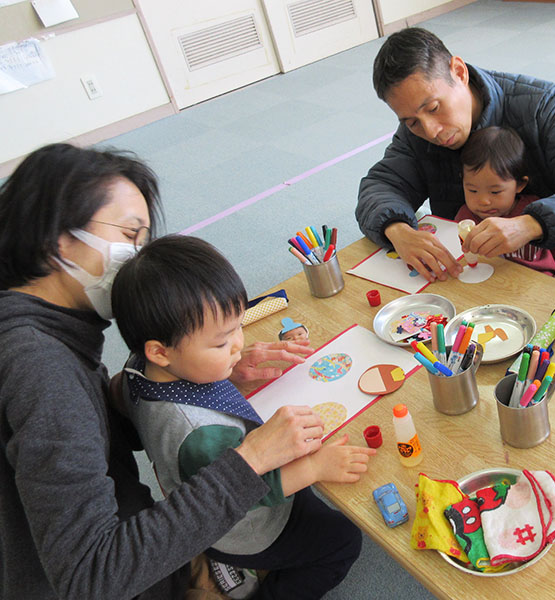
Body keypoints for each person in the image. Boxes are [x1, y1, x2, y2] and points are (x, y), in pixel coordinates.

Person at [0, 143, 333, 599]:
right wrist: (250, 461)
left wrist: (202, 375)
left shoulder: (41, 327)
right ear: (57, 239)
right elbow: (92, 578)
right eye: (130, 235)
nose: (138, 256)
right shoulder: (41, 367)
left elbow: (92, 430)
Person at [111, 235, 375, 599]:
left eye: (238, 326)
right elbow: (246, 490)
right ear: (160, 352)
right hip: (242, 528)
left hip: (213, 494)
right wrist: (314, 468)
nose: (239, 343)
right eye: (221, 342)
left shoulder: (137, 368)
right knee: (342, 540)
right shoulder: (199, 432)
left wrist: (227, 371)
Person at [357, 27, 555, 282]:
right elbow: (381, 185)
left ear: (459, 72)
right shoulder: (416, 133)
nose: (431, 131)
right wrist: (398, 230)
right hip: (483, 270)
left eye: (435, 108)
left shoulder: (542, 106)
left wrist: (531, 224)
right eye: (412, 121)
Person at [456, 126, 555, 283]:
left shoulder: (535, 212)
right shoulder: (464, 219)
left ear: (520, 184)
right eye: (472, 190)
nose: (483, 201)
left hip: (542, 281)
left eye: (495, 192)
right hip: (495, 285)